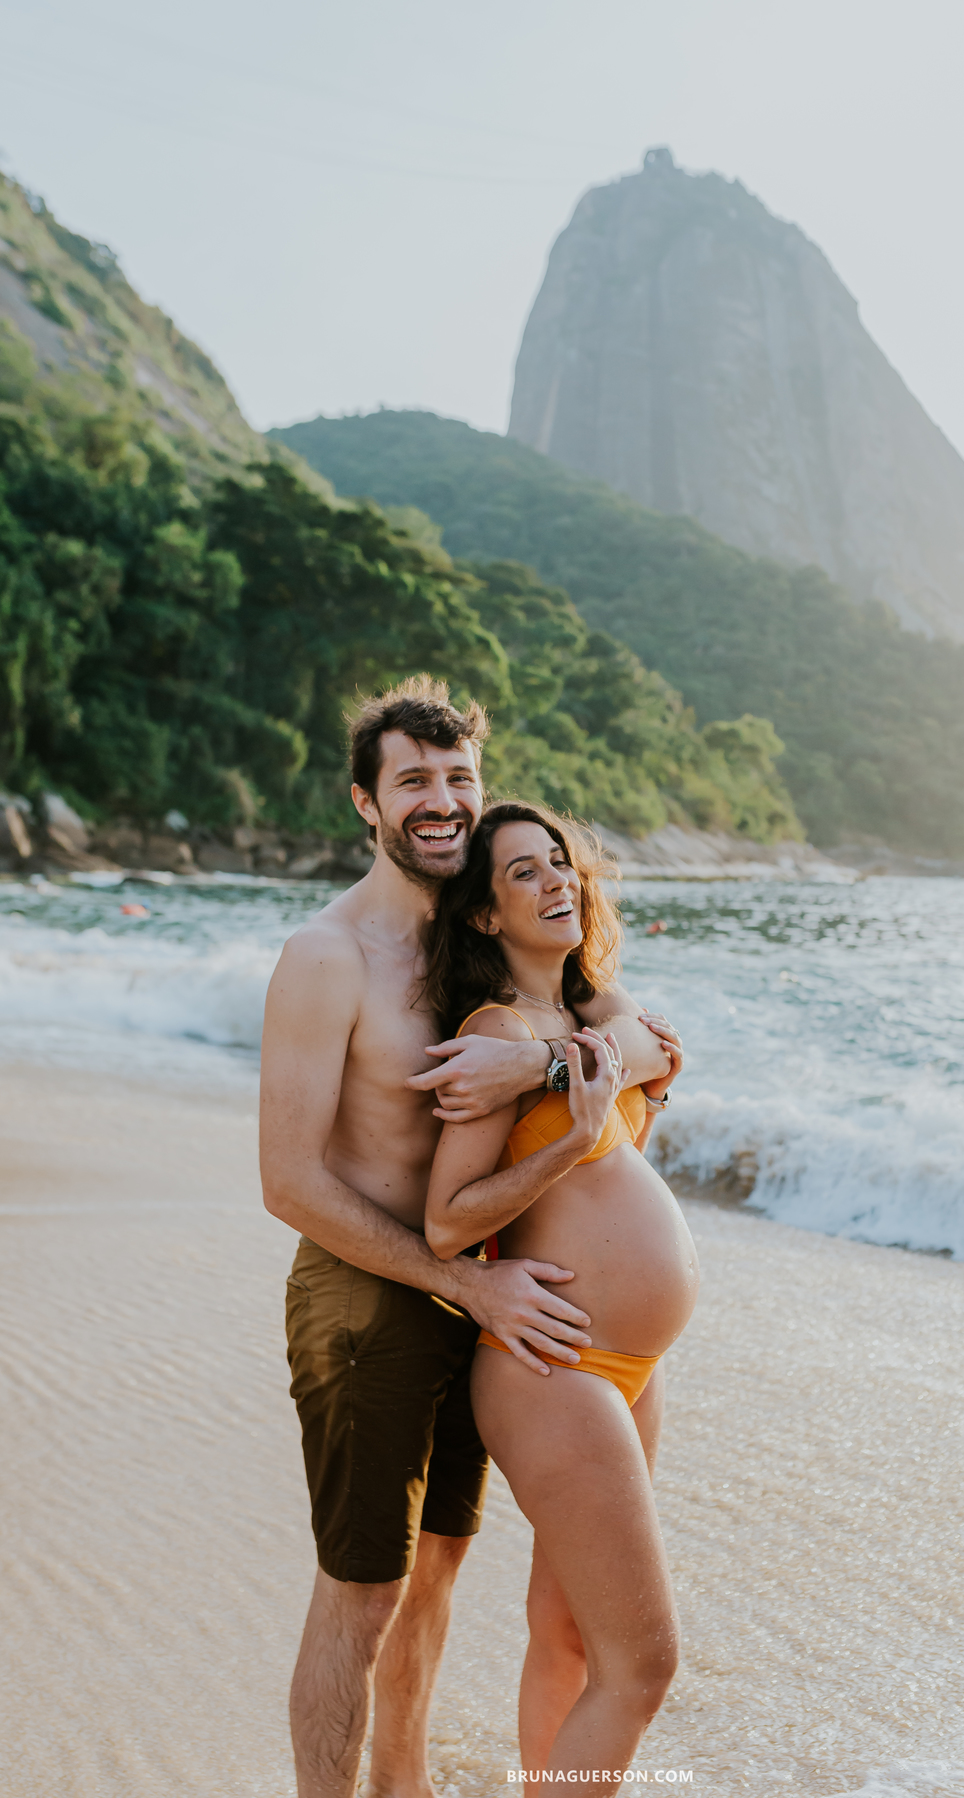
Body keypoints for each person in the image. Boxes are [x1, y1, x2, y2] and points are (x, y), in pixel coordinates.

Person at [259, 678, 678, 1798]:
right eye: (413, 782)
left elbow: (646, 1040)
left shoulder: (481, 946)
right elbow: (288, 1181)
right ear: (367, 802)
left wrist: (541, 1062)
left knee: (440, 1568)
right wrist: (466, 1281)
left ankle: (403, 1783)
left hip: (480, 1292)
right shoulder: (329, 956)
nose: (441, 800)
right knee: (362, 1592)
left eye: (458, 778)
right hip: (368, 1289)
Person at [423, 800, 696, 1794]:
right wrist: (570, 1138)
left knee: (571, 1629)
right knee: (645, 1665)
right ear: (485, 915)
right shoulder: (492, 1032)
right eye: (524, 873)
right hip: (554, 1364)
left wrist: (627, 1091)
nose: (555, 882)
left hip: (631, 1367)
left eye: (559, 862)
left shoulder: (588, 1014)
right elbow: (447, 1220)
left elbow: (647, 1056)